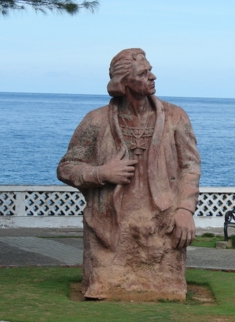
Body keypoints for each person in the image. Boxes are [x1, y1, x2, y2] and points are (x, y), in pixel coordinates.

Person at [57, 48, 200, 300]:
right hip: (110, 225)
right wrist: (102, 173)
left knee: (167, 288)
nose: (153, 77)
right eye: (144, 73)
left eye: (151, 70)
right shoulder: (96, 121)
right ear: (124, 83)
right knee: (104, 284)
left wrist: (185, 210)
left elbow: (190, 165)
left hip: (162, 223)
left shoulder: (176, 117)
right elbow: (67, 167)